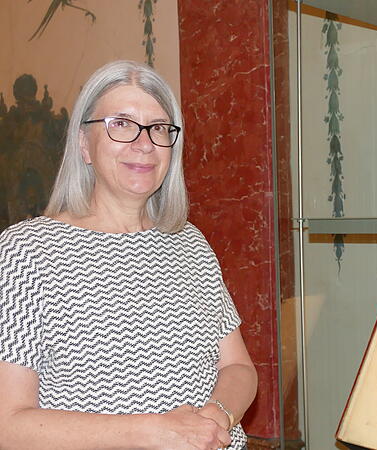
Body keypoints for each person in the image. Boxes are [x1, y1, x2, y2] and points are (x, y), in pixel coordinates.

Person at [0, 60, 257, 449]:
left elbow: (238, 367)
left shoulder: (190, 242)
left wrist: (217, 416)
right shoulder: (26, 252)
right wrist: (154, 432)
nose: (145, 143)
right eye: (120, 124)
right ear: (84, 144)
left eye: (158, 128)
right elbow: (9, 424)